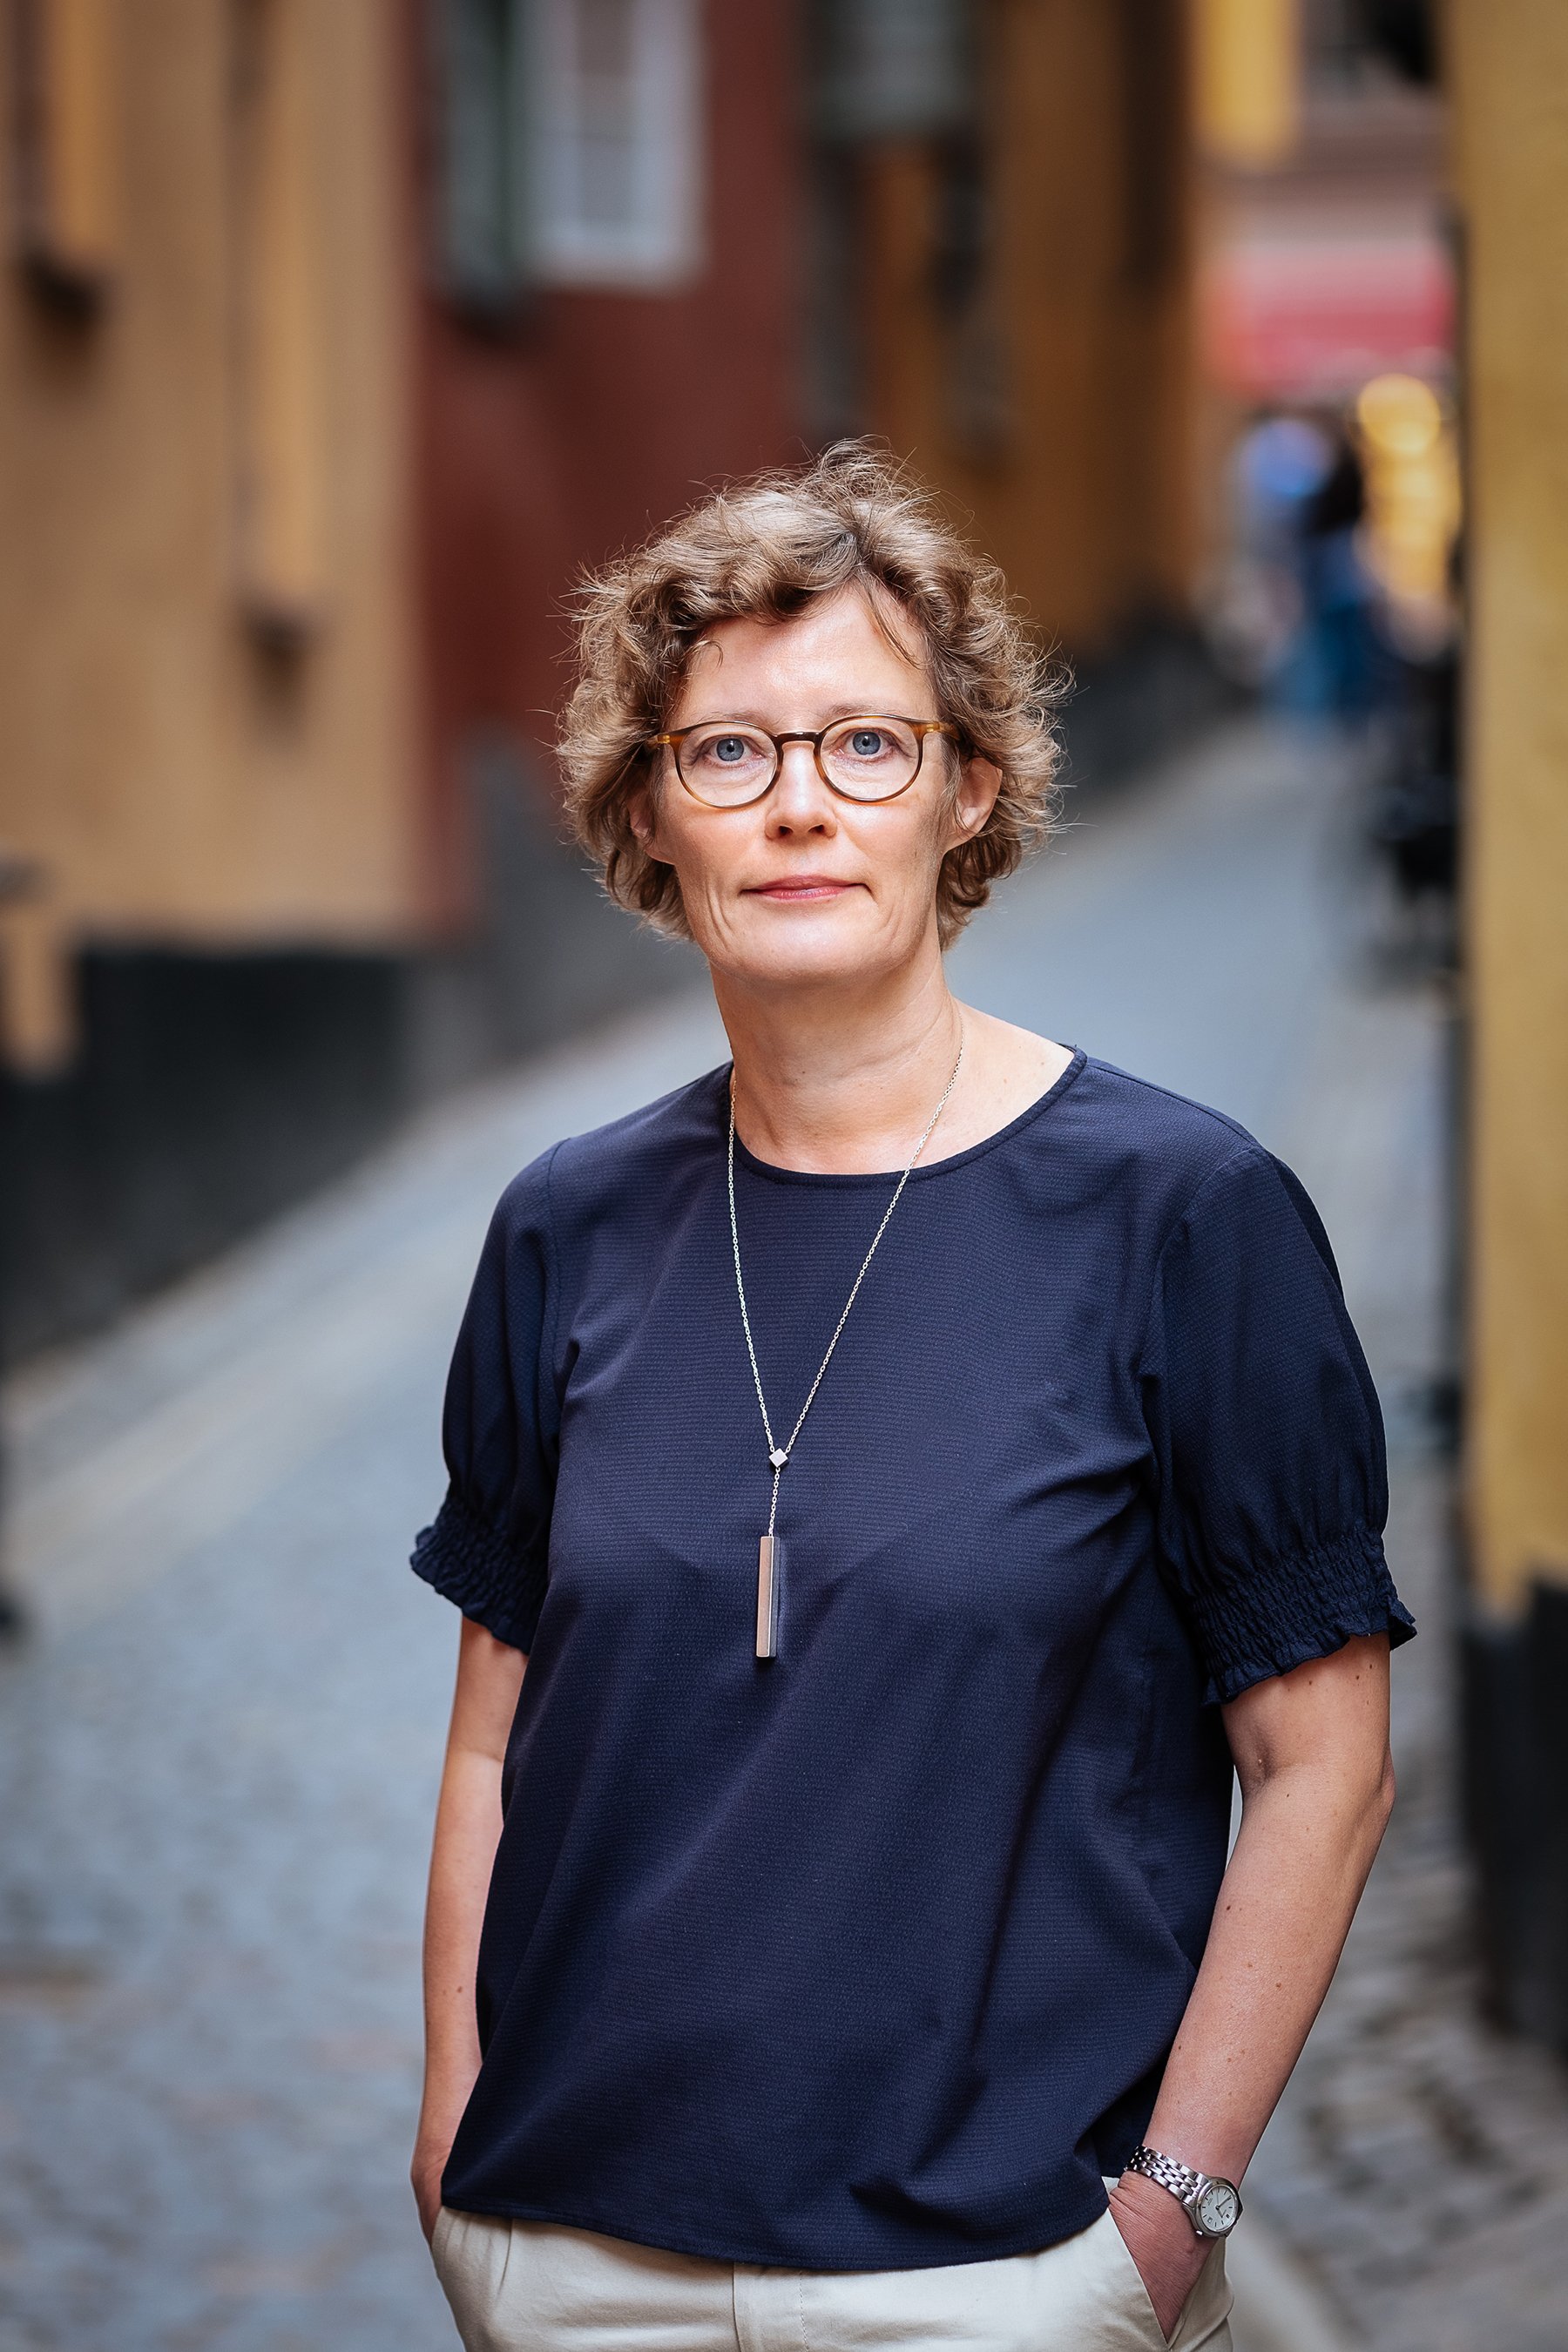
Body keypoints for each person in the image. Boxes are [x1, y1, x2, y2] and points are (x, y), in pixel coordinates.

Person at [409, 446, 1414, 2352]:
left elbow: (1325, 1763)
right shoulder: (563, 1228)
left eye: (866, 745)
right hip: (575, 2263)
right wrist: (455, 2135)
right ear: (650, 814)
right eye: (730, 753)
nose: (799, 803)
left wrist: (1168, 2215)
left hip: (998, 2281)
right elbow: (491, 1736)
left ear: (966, 792)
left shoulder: (1184, 1219)